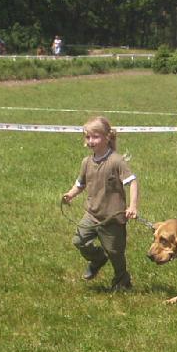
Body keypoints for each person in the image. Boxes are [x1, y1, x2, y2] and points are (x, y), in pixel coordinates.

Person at [62, 116, 139, 291]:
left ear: (107, 137)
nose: (90, 141)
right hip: (92, 214)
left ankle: (122, 280)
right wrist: (70, 194)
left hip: (113, 217)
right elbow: (80, 184)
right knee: (79, 241)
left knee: (115, 252)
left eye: (95, 137)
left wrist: (132, 206)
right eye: (87, 137)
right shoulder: (86, 162)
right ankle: (97, 258)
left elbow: (133, 182)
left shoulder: (116, 161)